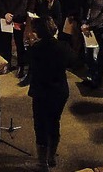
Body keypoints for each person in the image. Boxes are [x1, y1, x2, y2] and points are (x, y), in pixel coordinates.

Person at [28, 16, 73, 171]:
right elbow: (72, 62)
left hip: (42, 91)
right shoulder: (64, 46)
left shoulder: (35, 49)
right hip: (59, 91)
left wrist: (32, 46)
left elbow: (34, 72)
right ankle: (51, 157)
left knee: (40, 124)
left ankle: (42, 163)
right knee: (54, 121)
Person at [0, 0, 29, 76]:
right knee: (5, 42)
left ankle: (21, 65)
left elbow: (23, 4)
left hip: (18, 19)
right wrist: (5, 14)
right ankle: (7, 63)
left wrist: (14, 16)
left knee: (19, 43)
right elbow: (0, 0)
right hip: (5, 18)